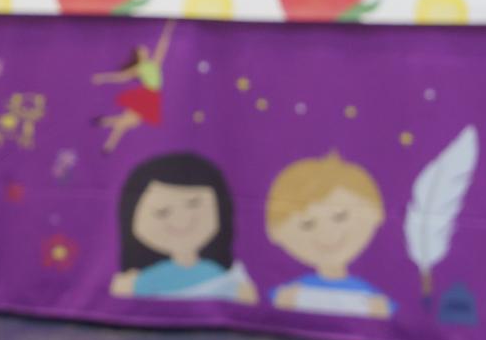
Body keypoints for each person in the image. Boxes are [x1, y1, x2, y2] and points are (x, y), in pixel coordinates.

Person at [109, 151, 257, 304]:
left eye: (194, 204)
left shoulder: (222, 276)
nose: (182, 219)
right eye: (162, 212)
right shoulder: (144, 280)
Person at [266, 151, 394, 319]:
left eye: (340, 216)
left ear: (376, 213)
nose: (327, 233)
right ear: (276, 232)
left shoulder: (375, 303)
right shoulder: (289, 295)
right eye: (307, 224)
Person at [92, 20, 174, 154]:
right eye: (142, 49)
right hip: (147, 95)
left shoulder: (154, 62)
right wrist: (103, 78)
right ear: (139, 54)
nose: (145, 49)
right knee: (126, 122)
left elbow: (163, 45)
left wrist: (168, 28)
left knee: (130, 122)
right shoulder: (139, 68)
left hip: (152, 96)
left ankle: (105, 123)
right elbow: (121, 77)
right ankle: (108, 143)